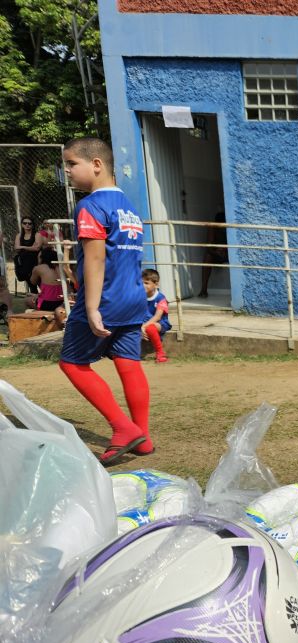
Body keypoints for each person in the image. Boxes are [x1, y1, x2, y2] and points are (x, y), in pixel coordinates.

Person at [58, 137, 154, 465]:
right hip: (132, 299)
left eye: (72, 164)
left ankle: (123, 428)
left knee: (72, 363)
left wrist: (90, 307)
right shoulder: (128, 207)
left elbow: (95, 260)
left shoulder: (90, 206)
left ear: (96, 165)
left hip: (106, 299)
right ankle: (142, 438)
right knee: (129, 363)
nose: (67, 171)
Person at [141, 268, 171, 363]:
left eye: (146, 283)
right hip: (143, 323)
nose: (143, 285)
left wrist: (144, 326)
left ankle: (160, 353)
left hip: (159, 323)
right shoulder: (139, 296)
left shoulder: (160, 298)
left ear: (156, 284)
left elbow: (157, 317)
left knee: (150, 328)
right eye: (141, 283)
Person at [198, 211, 227, 298]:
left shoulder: (230, 227)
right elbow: (209, 247)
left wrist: (225, 249)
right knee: (207, 257)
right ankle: (204, 290)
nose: (220, 226)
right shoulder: (213, 228)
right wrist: (217, 252)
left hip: (229, 254)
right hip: (217, 254)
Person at [14, 217, 43, 294]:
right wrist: (30, 247)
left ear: (33, 225)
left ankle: (47, 299)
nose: (27, 225)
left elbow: (37, 248)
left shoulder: (37, 234)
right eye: (25, 223)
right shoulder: (19, 235)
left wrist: (22, 247)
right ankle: (36, 302)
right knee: (32, 286)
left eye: (29, 223)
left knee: (41, 283)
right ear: (22, 224)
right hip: (24, 264)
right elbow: (16, 248)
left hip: (35, 262)